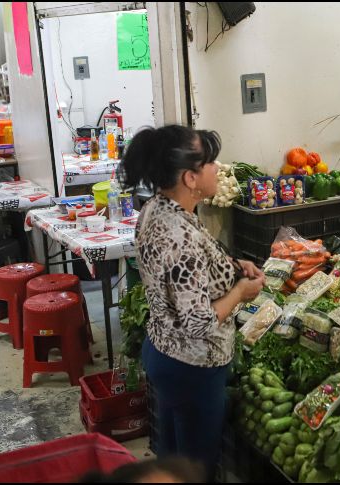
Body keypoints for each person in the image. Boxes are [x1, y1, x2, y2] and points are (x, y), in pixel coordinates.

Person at [118, 125, 266, 479]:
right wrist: (240, 293)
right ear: (190, 178)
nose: (218, 169)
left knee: (171, 461)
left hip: (164, 353)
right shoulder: (181, 237)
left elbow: (181, 274)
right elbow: (198, 322)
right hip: (193, 367)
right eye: (210, 163)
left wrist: (231, 267)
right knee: (195, 469)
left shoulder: (157, 208)